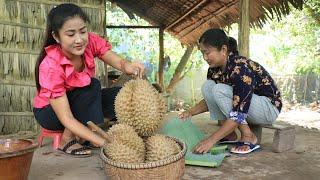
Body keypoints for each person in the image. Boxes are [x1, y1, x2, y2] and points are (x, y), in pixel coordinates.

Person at [33, 3, 145, 157]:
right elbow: (66, 117)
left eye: (83, 31)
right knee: (92, 86)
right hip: (50, 114)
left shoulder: (90, 42)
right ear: (56, 36)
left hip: (80, 103)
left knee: (122, 96)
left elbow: (114, 59)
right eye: (71, 34)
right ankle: (67, 139)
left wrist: (127, 66)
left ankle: (85, 134)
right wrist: (105, 143)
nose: (79, 39)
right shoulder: (50, 66)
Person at [179, 28, 282, 154]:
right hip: (247, 107)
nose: (205, 57)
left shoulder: (240, 68)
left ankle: (248, 136)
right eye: (202, 53)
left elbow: (238, 111)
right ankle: (230, 134)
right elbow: (211, 100)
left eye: (207, 52)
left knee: (219, 89)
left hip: (268, 108)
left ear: (223, 50)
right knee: (208, 87)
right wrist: (190, 112)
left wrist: (211, 140)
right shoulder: (214, 69)